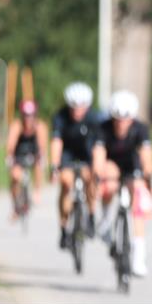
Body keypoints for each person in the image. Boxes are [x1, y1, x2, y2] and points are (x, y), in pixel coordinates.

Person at [93, 90, 152, 276]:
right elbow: (98, 157)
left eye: (125, 119)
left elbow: (147, 158)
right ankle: (104, 220)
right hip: (111, 163)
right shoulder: (103, 129)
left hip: (131, 164)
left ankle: (138, 257)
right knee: (110, 182)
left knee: (137, 199)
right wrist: (98, 178)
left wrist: (147, 181)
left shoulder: (140, 129)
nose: (121, 124)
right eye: (117, 119)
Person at [50, 82, 98, 249]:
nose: (77, 111)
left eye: (81, 107)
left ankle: (91, 215)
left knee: (91, 179)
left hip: (87, 153)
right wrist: (54, 166)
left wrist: (97, 168)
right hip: (67, 154)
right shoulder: (60, 117)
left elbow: (99, 146)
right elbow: (56, 142)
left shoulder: (94, 118)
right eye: (73, 107)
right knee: (65, 183)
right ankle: (63, 228)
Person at [5, 99, 48, 214]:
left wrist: (41, 156)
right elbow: (11, 144)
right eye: (26, 115)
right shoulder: (17, 126)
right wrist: (9, 156)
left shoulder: (39, 126)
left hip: (34, 155)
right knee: (15, 176)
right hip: (19, 156)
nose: (28, 118)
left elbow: (42, 145)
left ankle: (37, 190)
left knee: (39, 165)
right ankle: (15, 204)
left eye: (31, 115)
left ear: (35, 115)